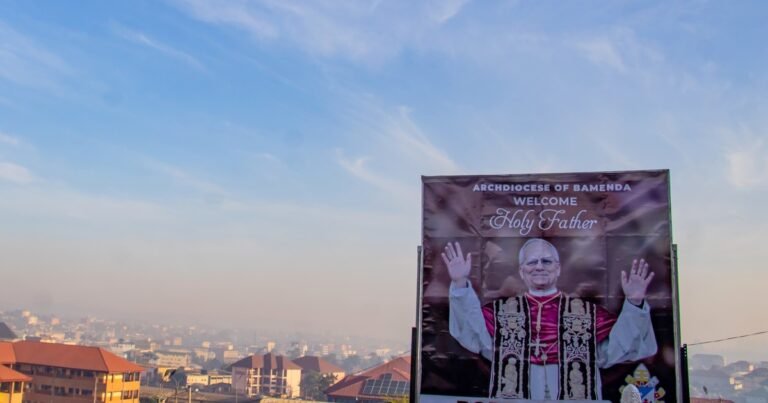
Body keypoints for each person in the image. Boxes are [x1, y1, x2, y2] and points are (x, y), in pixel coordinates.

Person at [444, 238, 657, 401]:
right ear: (522, 271)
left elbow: (615, 351)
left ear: (558, 268)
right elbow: (474, 337)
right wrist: (460, 283)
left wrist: (635, 304)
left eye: (546, 261)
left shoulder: (586, 313)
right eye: (532, 262)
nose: (539, 266)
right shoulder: (501, 312)